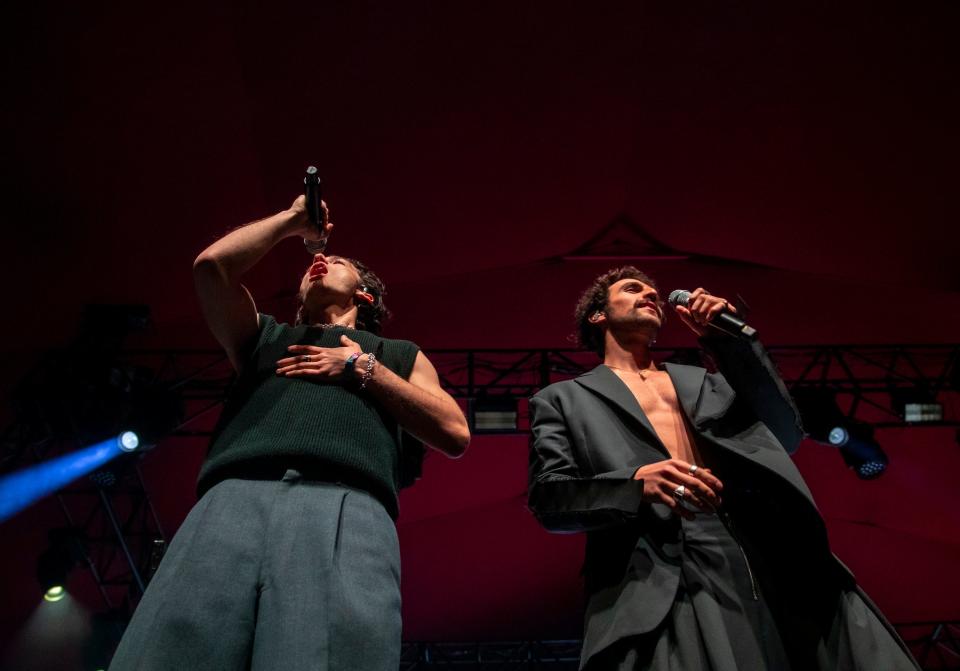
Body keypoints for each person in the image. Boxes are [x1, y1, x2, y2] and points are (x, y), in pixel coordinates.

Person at [110, 194, 470, 671]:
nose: (320, 261)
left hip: (345, 507)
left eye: (336, 261)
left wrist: (361, 367)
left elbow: (453, 431)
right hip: (229, 502)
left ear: (364, 294)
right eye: (315, 261)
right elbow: (212, 267)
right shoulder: (264, 337)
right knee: (168, 654)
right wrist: (291, 222)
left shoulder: (396, 353)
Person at [527, 266, 918, 670]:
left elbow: (784, 434)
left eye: (654, 292)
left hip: (749, 550)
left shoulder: (709, 383)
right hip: (651, 569)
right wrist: (634, 485)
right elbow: (549, 499)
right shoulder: (562, 399)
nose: (650, 295)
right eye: (633, 289)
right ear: (598, 315)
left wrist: (729, 341)